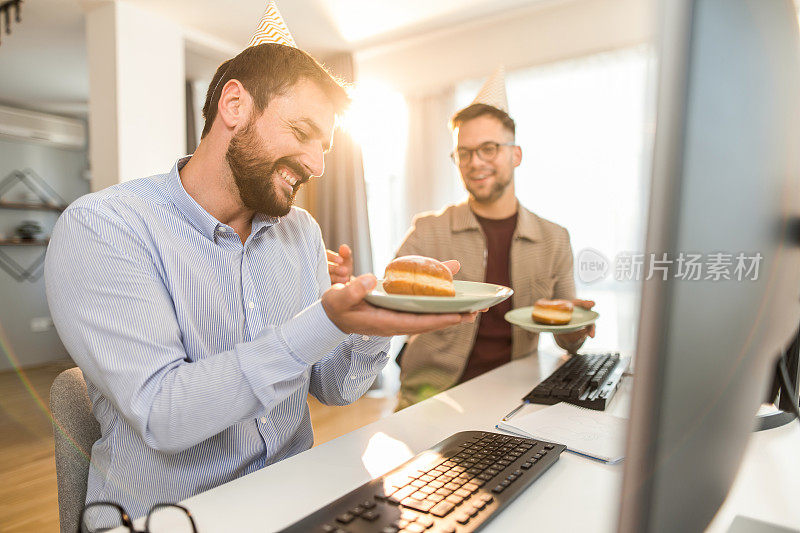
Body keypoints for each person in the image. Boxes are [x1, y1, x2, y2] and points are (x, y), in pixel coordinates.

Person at [44, 4, 475, 526]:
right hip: (172, 517)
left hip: (294, 498)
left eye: (325, 147)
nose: (316, 166)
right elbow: (163, 414)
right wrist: (325, 321)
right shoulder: (106, 228)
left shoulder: (300, 233)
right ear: (234, 106)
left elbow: (335, 387)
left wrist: (378, 317)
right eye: (301, 132)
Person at [329, 68, 595, 409]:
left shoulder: (554, 238)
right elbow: (386, 296)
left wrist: (576, 328)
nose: (474, 162)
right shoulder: (429, 230)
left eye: (488, 148)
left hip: (517, 395)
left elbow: (566, 340)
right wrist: (351, 287)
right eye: (464, 153)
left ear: (516, 155)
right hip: (433, 397)